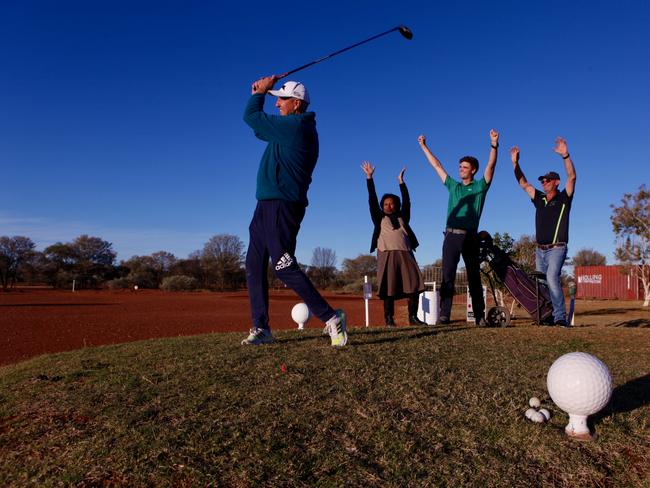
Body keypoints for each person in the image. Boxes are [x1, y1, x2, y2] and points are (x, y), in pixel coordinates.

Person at [241, 75, 347, 346]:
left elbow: (251, 117)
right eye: (275, 98)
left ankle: (331, 317)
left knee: (282, 265)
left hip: (282, 204)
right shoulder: (288, 127)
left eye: (282, 99)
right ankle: (261, 328)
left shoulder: (298, 127)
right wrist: (260, 94)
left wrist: (260, 93)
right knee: (254, 264)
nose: (277, 104)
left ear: (297, 104)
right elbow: (258, 128)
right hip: (265, 205)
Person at [417, 130, 500, 325]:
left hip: (470, 237)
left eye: (464, 167)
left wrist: (494, 144)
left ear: (473, 170)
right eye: (460, 166)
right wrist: (423, 147)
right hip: (451, 237)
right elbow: (437, 166)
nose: (460, 169)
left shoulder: (480, 187)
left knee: (473, 277)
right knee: (448, 277)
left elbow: (491, 165)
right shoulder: (454, 186)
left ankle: (480, 317)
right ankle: (445, 315)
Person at [510, 137, 576, 327]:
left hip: (557, 248)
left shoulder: (564, 198)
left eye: (547, 180)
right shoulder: (539, 198)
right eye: (542, 181)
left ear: (556, 182)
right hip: (540, 250)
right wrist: (516, 163)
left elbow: (572, 177)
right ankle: (546, 315)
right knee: (542, 284)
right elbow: (523, 183)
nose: (544, 183)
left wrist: (565, 155)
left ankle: (560, 317)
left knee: (551, 277)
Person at [362, 162, 426, 327]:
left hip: (405, 253)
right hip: (387, 254)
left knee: (414, 285)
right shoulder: (379, 218)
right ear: (382, 207)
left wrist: (401, 182)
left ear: (396, 205)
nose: (389, 206)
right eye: (385, 204)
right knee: (388, 287)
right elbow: (372, 200)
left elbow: (407, 201)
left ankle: (413, 318)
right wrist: (369, 178)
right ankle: (389, 320)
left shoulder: (403, 216)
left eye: (391, 203)